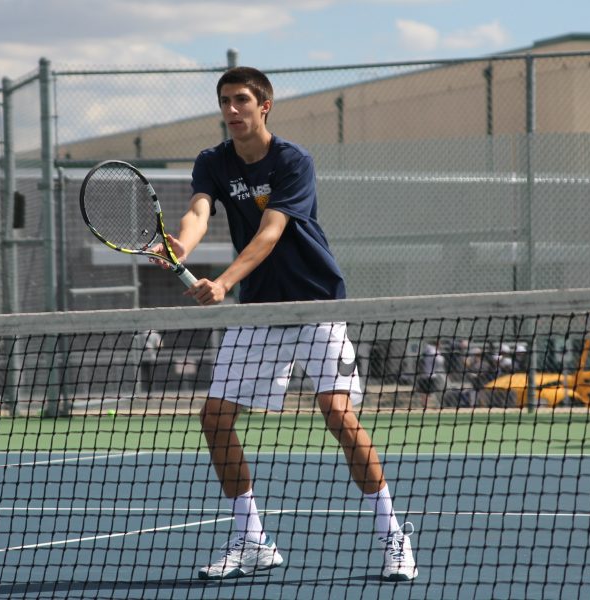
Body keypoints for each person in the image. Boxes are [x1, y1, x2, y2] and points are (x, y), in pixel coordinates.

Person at [151, 67, 417, 582]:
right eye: (225, 101)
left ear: (264, 105)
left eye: (242, 101)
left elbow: (271, 232)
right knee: (214, 417)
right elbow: (199, 211)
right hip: (261, 311)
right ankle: (252, 540)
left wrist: (224, 281)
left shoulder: (293, 160)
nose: (232, 110)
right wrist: (182, 243)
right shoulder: (212, 162)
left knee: (336, 415)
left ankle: (393, 537)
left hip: (314, 302)